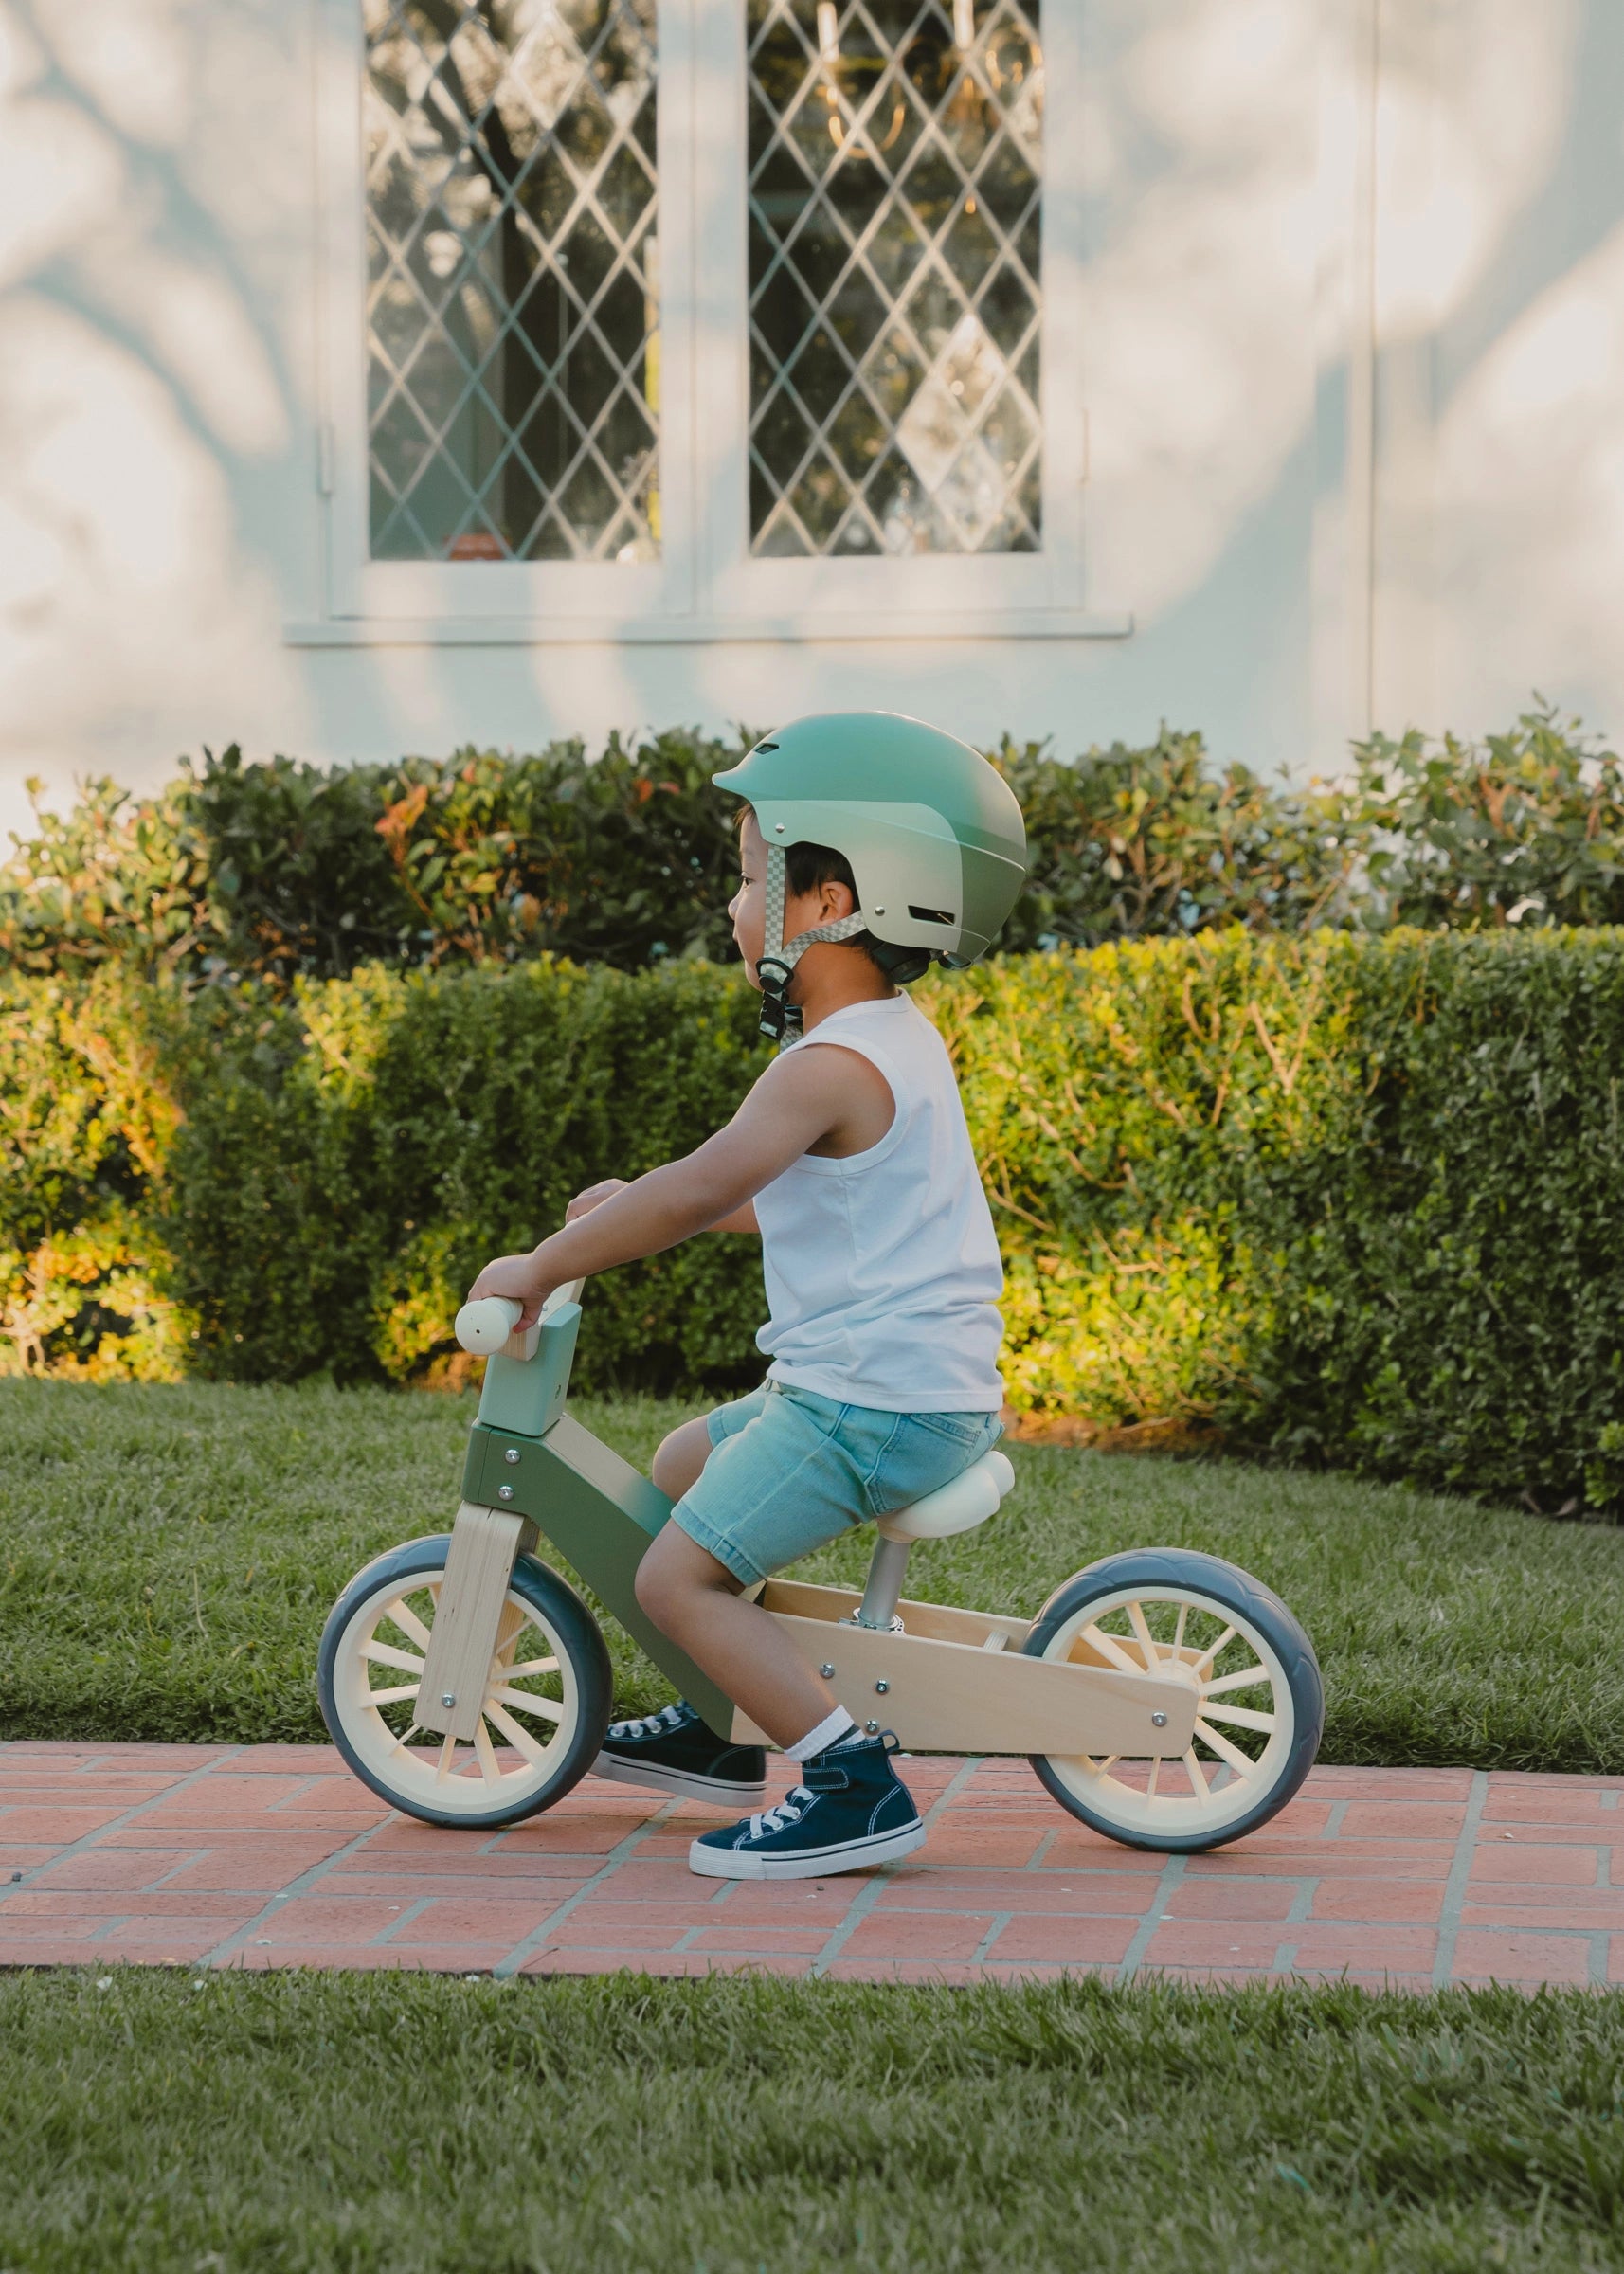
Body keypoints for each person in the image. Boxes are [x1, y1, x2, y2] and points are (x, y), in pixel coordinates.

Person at [466, 711, 1027, 1880]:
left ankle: (849, 1785)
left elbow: (700, 1187)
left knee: (676, 1577)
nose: (732, 908)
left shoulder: (829, 1061)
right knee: (678, 1468)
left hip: (872, 1407)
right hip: (903, 1389)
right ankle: (724, 1720)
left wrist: (545, 1264)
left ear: (830, 903)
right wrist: (634, 1201)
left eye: (748, 878)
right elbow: (788, 1197)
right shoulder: (885, 1040)